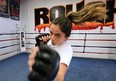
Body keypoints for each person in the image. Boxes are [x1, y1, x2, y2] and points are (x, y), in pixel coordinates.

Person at [28, 1, 107, 81]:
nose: (52, 38)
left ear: (66, 37)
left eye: (58, 35)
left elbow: (60, 77)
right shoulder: (49, 41)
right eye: (51, 33)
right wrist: (40, 46)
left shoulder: (66, 50)